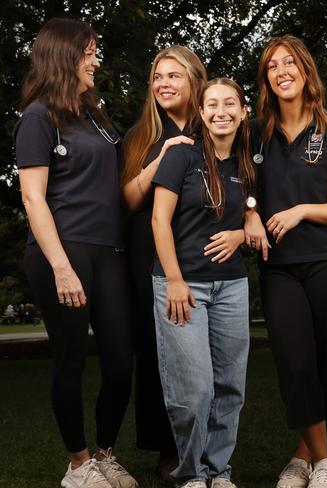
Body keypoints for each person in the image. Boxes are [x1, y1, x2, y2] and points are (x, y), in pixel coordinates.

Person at [15, 17, 137, 488]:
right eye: (89, 52)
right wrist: (61, 267)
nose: (96, 59)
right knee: (70, 359)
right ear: (65, 55)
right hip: (61, 253)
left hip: (110, 250)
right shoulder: (37, 117)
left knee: (121, 361)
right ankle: (78, 465)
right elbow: (32, 198)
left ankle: (104, 454)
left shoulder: (95, 117)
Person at [245, 34, 327, 488]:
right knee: (294, 362)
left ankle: (302, 457)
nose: (282, 71)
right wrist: (252, 212)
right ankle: (326, 465)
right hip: (279, 268)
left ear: (305, 71)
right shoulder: (254, 133)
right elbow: (236, 187)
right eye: (272, 66)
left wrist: (301, 211)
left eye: (290, 62)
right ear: (266, 79)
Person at [150, 77, 254, 488]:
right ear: (202, 112)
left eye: (230, 103)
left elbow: (252, 209)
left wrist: (242, 233)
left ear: (244, 112)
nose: (221, 112)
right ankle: (191, 474)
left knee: (230, 387)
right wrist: (174, 279)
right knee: (193, 391)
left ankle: (219, 471)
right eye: (212, 104)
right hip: (181, 285)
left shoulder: (247, 160)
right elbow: (159, 220)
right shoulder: (183, 155)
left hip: (231, 285)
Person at [121, 45, 207, 480]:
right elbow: (130, 200)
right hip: (147, 254)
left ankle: (206, 443)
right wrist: (161, 159)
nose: (164, 84)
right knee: (157, 353)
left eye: (174, 76)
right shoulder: (140, 136)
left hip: (199, 250)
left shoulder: (212, 125)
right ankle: (165, 446)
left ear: (194, 80)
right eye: (158, 77)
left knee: (203, 356)